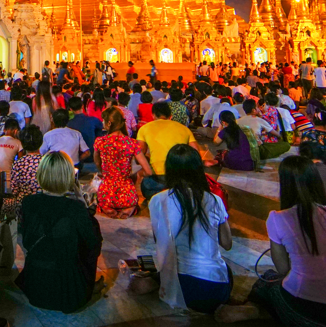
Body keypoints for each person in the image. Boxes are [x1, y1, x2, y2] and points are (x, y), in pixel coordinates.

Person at [243, 156, 326, 327]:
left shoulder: (278, 218)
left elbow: (283, 269)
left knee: (266, 281)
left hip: (306, 312)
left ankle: (250, 311)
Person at [16, 151, 102, 313]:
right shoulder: (75, 208)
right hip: (67, 292)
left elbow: (26, 239)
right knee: (93, 228)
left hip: (35, 287)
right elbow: (92, 243)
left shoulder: (29, 203)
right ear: (69, 175)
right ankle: (87, 282)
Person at [151, 144, 233, 312]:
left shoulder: (158, 200)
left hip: (176, 288)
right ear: (198, 169)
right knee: (226, 270)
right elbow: (227, 243)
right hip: (213, 289)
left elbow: (159, 240)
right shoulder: (214, 200)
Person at [93, 107, 153, 218]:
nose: (102, 123)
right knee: (132, 202)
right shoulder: (132, 143)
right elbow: (148, 171)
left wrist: (105, 173)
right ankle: (129, 209)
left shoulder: (100, 142)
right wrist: (136, 174)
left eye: (104, 121)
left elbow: (97, 163)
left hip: (106, 195)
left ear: (109, 123)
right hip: (127, 196)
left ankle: (107, 208)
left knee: (101, 200)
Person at [137, 101, 202, 200]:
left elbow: (139, 153)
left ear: (153, 115)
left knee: (146, 186)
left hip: (157, 180)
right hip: (181, 177)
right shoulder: (184, 129)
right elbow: (195, 153)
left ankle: (164, 193)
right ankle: (177, 192)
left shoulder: (144, 129)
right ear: (170, 116)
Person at [1, 125, 43, 217]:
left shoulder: (18, 163)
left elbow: (14, 190)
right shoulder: (46, 161)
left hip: (23, 205)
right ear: (40, 142)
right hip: (44, 204)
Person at [0, 117, 22, 182]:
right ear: (16, 131)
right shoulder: (18, 143)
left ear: (4, 130)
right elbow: (20, 162)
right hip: (9, 179)